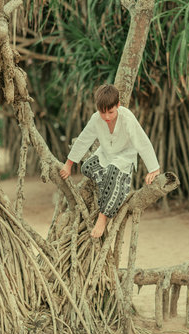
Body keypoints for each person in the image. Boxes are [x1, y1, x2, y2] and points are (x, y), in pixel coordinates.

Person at [60, 84, 160, 238]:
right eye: (102, 112)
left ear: (118, 105)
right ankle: (114, 186)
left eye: (111, 112)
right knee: (86, 168)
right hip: (105, 155)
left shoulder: (127, 118)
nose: (106, 117)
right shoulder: (95, 119)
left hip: (124, 157)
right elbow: (83, 140)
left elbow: (142, 142)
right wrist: (68, 165)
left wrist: (154, 169)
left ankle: (103, 215)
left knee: (113, 170)